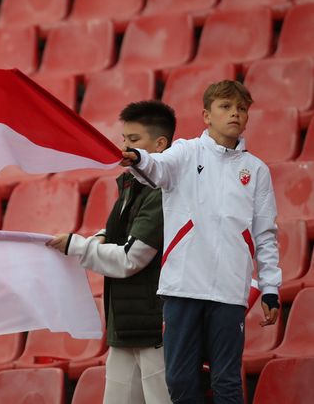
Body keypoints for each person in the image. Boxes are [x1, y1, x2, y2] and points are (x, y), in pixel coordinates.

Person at [120, 80, 281, 403]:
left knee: (226, 380)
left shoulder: (257, 171)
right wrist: (138, 156)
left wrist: (271, 287)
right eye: (225, 107)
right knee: (179, 380)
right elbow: (156, 165)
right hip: (182, 286)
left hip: (229, 290)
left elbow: (265, 234)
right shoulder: (184, 151)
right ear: (207, 115)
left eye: (241, 108)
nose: (235, 114)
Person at [48, 100, 175, 404]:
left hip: (155, 326)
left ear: (159, 145)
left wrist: (75, 246)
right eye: (124, 139)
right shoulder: (131, 186)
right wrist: (90, 242)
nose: (124, 147)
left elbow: (131, 259)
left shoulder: (162, 192)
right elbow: (114, 237)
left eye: (133, 141)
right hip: (126, 325)